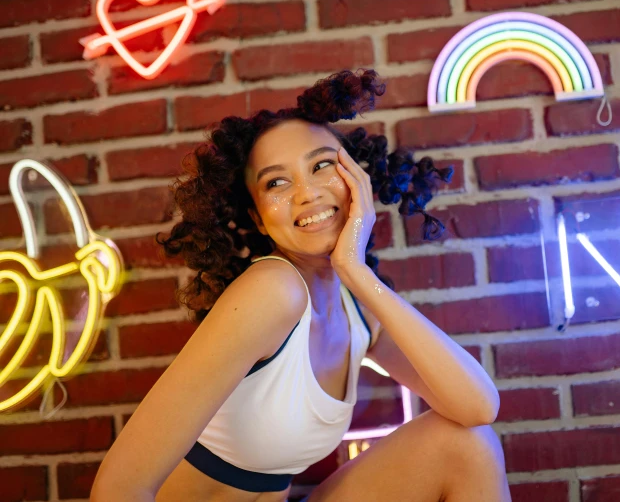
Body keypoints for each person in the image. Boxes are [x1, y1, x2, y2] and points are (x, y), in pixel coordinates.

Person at [90, 69, 511, 502]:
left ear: (357, 182)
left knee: (469, 445)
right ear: (258, 218)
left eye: (322, 165)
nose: (306, 194)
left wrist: (358, 273)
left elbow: (476, 408)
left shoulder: (356, 309)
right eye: (276, 182)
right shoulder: (272, 290)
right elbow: (119, 488)